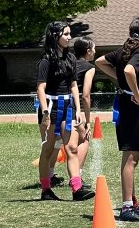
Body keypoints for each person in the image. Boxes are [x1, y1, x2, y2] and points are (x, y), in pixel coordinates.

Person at [95, 17, 139, 221]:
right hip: (133, 107)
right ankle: (126, 207)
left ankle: (132, 202)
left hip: (124, 103)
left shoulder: (124, 51)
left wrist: (118, 79)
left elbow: (99, 62)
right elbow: (129, 70)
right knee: (131, 157)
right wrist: (137, 93)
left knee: (132, 156)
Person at [36, 21, 95, 202]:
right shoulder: (46, 60)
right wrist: (45, 113)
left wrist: (78, 109)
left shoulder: (70, 58)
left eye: (70, 34)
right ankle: (46, 189)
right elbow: (41, 87)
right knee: (48, 150)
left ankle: (77, 189)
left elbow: (74, 85)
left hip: (68, 107)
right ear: (55, 36)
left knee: (71, 148)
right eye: (66, 34)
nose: (69, 37)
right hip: (52, 108)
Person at [73, 36, 96, 185]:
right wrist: (87, 120)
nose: (95, 52)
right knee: (84, 138)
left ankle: (48, 177)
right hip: (73, 108)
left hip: (56, 105)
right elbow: (86, 95)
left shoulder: (68, 63)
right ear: (88, 51)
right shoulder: (89, 67)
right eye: (94, 49)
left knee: (53, 143)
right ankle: (77, 176)